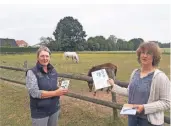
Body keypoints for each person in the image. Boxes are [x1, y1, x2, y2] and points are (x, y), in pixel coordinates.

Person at [108, 42, 170, 126]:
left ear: (154, 57)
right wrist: (113, 86)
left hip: (149, 122)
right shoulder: (135, 73)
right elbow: (130, 92)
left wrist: (144, 108)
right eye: (142, 52)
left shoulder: (160, 77)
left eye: (148, 53)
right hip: (132, 117)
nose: (144, 55)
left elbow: (167, 103)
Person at [26, 46, 68, 126]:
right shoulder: (32, 72)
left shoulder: (53, 71)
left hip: (54, 109)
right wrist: (56, 93)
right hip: (40, 112)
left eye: (47, 56)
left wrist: (60, 89)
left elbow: (54, 85)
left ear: (50, 58)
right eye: (42, 56)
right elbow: (34, 93)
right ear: (37, 57)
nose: (45, 58)